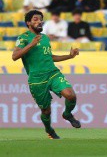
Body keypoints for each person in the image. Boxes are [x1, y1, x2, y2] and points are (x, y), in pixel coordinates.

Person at [12, 10, 81, 139]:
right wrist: (32, 44)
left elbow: (50, 57)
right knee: (46, 111)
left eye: (41, 19)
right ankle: (49, 129)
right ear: (28, 22)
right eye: (35, 19)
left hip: (52, 73)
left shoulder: (44, 37)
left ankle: (67, 114)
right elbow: (15, 56)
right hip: (37, 79)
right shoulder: (23, 38)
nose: (39, 21)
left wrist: (69, 56)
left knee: (70, 95)